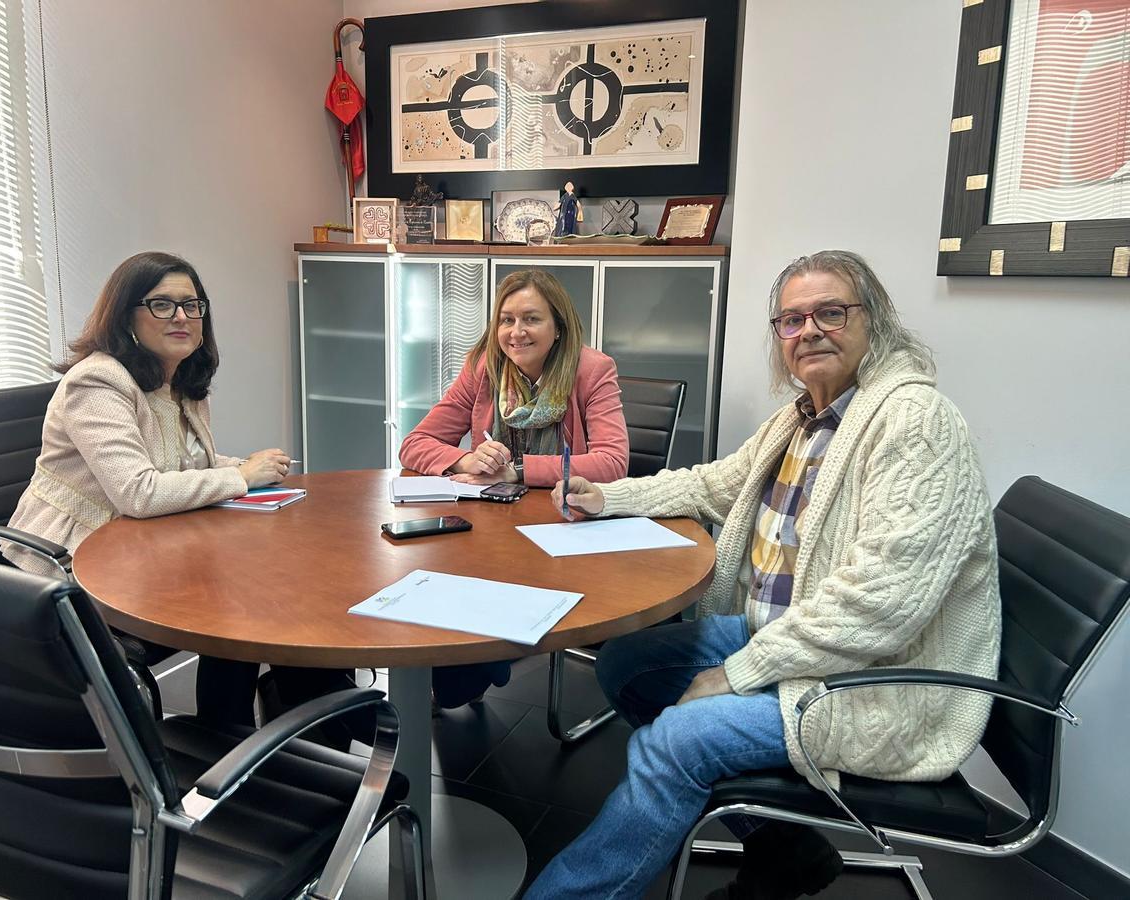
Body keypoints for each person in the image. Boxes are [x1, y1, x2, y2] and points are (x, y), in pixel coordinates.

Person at [524, 250, 1002, 900]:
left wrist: (736, 674)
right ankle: (787, 851)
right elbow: (713, 484)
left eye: (831, 313)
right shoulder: (802, 417)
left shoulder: (916, 423)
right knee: (627, 665)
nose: (809, 331)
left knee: (679, 740)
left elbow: (880, 604)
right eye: (791, 320)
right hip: (791, 641)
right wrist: (606, 497)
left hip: (874, 681)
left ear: (875, 320)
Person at [3, 251, 354, 729]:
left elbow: (181, 464)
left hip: (149, 547)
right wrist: (242, 477)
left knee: (273, 590)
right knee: (241, 600)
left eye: (192, 305)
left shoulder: (180, 379)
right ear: (125, 315)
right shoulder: (98, 381)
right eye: (162, 305)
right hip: (78, 564)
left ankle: (284, 724)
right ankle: (237, 734)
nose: (182, 317)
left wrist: (248, 466)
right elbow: (138, 491)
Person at [400, 268, 629, 706]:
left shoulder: (592, 370)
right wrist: (464, 459)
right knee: (438, 581)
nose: (516, 332)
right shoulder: (483, 368)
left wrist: (518, 471)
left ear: (558, 327)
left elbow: (612, 463)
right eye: (506, 320)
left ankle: (489, 657)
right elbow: (414, 443)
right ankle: (479, 660)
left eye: (531, 319)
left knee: (473, 629)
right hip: (492, 534)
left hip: (563, 531)